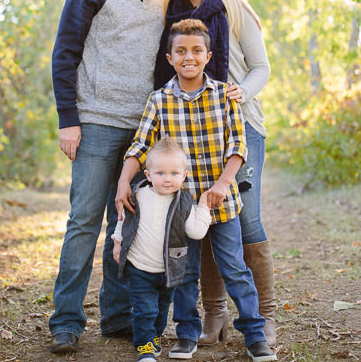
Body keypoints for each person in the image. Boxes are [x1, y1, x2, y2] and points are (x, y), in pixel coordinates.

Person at [116, 19, 276, 361]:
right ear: (170, 58)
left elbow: (238, 146)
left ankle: (255, 334)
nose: (189, 56)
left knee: (234, 268)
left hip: (222, 203)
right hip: (181, 209)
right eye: (181, 51)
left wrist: (221, 185)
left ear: (208, 55)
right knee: (185, 274)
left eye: (196, 51)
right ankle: (186, 335)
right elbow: (140, 145)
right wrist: (121, 184)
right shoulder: (159, 101)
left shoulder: (224, 94)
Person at [48, 0, 169, 354]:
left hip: (143, 131)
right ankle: (66, 321)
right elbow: (65, 54)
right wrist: (69, 120)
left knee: (128, 223)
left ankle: (118, 319)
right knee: (83, 222)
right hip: (96, 122)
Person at [154, 0, 276, 347]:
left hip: (242, 124)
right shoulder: (171, 15)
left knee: (244, 218)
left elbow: (261, 67)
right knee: (199, 216)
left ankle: (264, 315)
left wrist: (244, 91)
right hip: (192, 129)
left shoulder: (234, 9)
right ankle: (215, 313)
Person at [112, 137, 212, 361]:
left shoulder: (185, 202)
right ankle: (145, 347)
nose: (168, 179)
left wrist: (203, 208)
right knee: (144, 310)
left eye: (174, 174)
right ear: (148, 175)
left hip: (168, 269)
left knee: (160, 309)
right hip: (140, 266)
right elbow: (124, 219)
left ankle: (154, 337)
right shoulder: (138, 194)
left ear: (184, 176)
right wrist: (117, 241)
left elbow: (196, 232)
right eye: (160, 174)